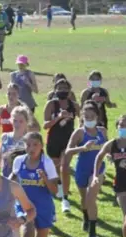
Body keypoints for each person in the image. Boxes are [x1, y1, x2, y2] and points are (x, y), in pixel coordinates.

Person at [9, 132, 58, 237]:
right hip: (24, 205)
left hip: (43, 205)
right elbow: (12, 180)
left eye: (35, 144)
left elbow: (55, 191)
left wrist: (45, 179)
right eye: (28, 145)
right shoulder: (19, 161)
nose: (31, 148)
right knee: (27, 234)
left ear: (41, 146)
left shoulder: (47, 163)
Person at [65, 101, 108, 237]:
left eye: (92, 116)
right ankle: (86, 217)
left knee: (91, 197)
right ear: (82, 117)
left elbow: (107, 148)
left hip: (97, 170)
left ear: (97, 116)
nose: (89, 119)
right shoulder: (79, 133)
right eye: (86, 116)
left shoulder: (102, 131)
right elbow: (68, 151)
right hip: (82, 169)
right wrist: (82, 149)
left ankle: (93, 231)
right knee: (84, 198)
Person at [43, 78, 80, 211]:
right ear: (55, 90)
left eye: (65, 88)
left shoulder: (74, 105)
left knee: (64, 167)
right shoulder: (51, 105)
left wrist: (79, 135)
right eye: (60, 88)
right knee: (55, 167)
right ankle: (58, 185)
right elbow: (45, 125)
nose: (63, 91)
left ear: (70, 91)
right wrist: (58, 117)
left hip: (68, 140)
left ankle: (65, 199)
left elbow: (82, 121)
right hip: (53, 140)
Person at [0, 106, 29, 178]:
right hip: (5, 178)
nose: (17, 124)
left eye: (21, 121)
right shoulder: (5, 137)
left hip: (24, 180)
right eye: (15, 120)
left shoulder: (29, 140)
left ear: (27, 122)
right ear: (11, 120)